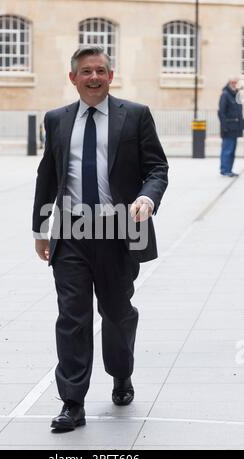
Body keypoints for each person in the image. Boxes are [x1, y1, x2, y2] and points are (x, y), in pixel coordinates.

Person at [32, 46, 168, 431]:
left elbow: (157, 166)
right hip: (71, 230)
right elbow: (48, 175)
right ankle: (72, 402)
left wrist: (147, 197)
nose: (94, 78)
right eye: (86, 71)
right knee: (72, 317)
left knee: (117, 312)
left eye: (101, 71)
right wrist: (40, 228)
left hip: (117, 230)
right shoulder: (56, 120)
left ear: (111, 76)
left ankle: (121, 372)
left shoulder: (136, 116)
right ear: (72, 78)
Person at [218, 77, 243, 177]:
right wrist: (224, 126)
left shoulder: (236, 95)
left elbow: (239, 113)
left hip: (235, 128)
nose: (234, 84)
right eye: (232, 82)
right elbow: (221, 112)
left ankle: (229, 170)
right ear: (229, 83)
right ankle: (224, 170)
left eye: (236, 82)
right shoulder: (225, 95)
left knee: (232, 151)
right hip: (228, 128)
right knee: (227, 149)